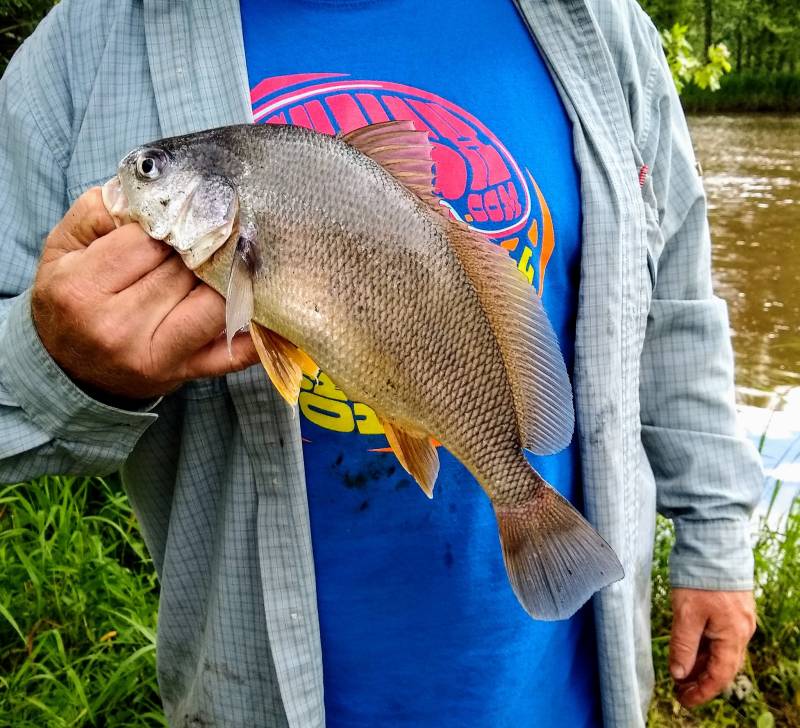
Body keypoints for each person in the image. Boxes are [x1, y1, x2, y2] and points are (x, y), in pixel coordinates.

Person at [0, 1, 762, 726]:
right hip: (252, 700)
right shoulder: (80, 50)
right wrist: (60, 363)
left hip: (560, 694)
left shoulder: (603, 22)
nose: (137, 182)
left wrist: (717, 537)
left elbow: (674, 308)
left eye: (152, 170)